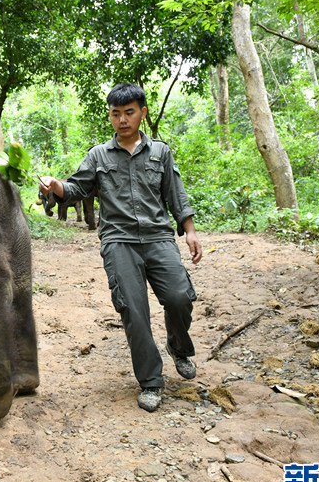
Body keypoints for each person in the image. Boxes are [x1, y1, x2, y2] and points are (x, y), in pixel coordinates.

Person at [39, 83, 202, 412]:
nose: (122, 120)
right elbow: (75, 188)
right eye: (116, 114)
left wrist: (190, 231)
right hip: (118, 241)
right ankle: (152, 381)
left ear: (142, 113)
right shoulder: (98, 155)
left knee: (179, 297)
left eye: (129, 112)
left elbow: (176, 195)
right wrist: (56, 186)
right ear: (110, 117)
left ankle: (178, 345)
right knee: (133, 309)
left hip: (158, 237)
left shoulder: (161, 152)